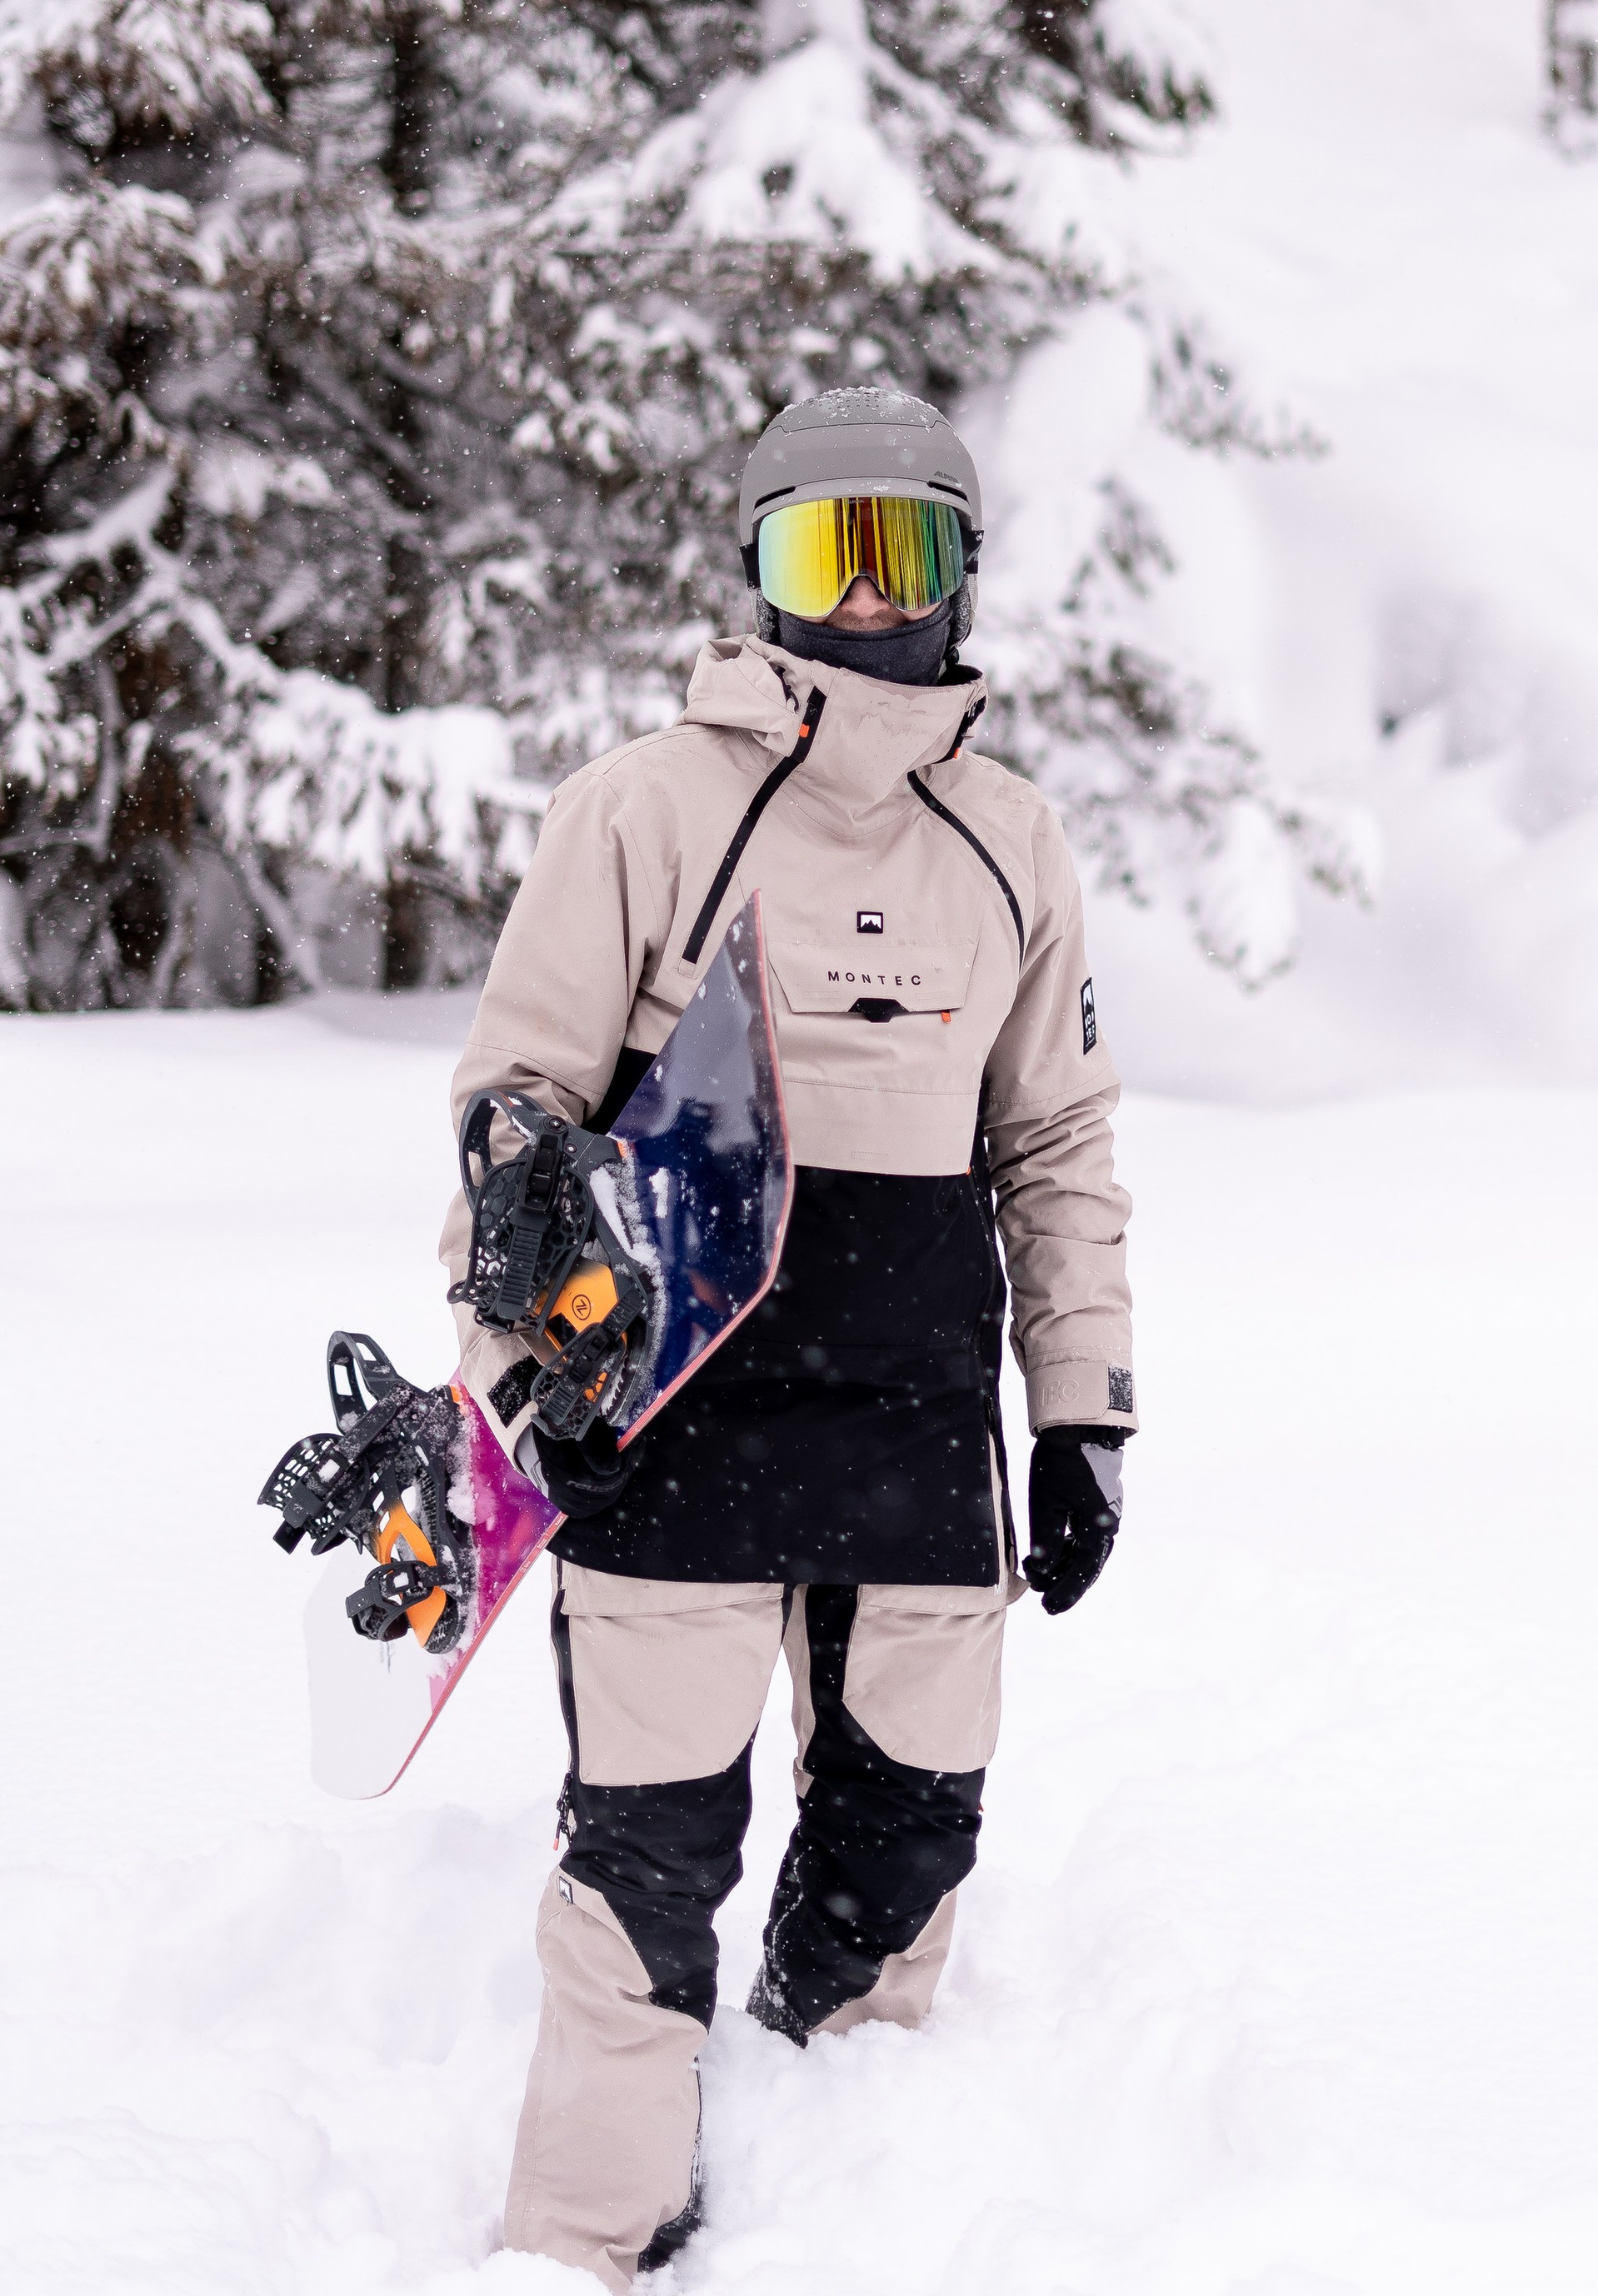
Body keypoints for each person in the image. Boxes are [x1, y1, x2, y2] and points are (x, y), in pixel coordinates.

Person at [439, 385, 1136, 2289]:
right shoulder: (642, 807)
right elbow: (516, 1102)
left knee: (903, 1849)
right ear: (757, 576)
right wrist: (507, 1375)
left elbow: (1054, 1142)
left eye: (900, 553)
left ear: (960, 574)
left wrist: (1081, 1412)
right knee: (642, 1867)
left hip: (919, 1434)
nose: (862, 601)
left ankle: (841, 2222)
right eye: (820, 556)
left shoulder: (1011, 839)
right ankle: (579, 2245)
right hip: (670, 1431)